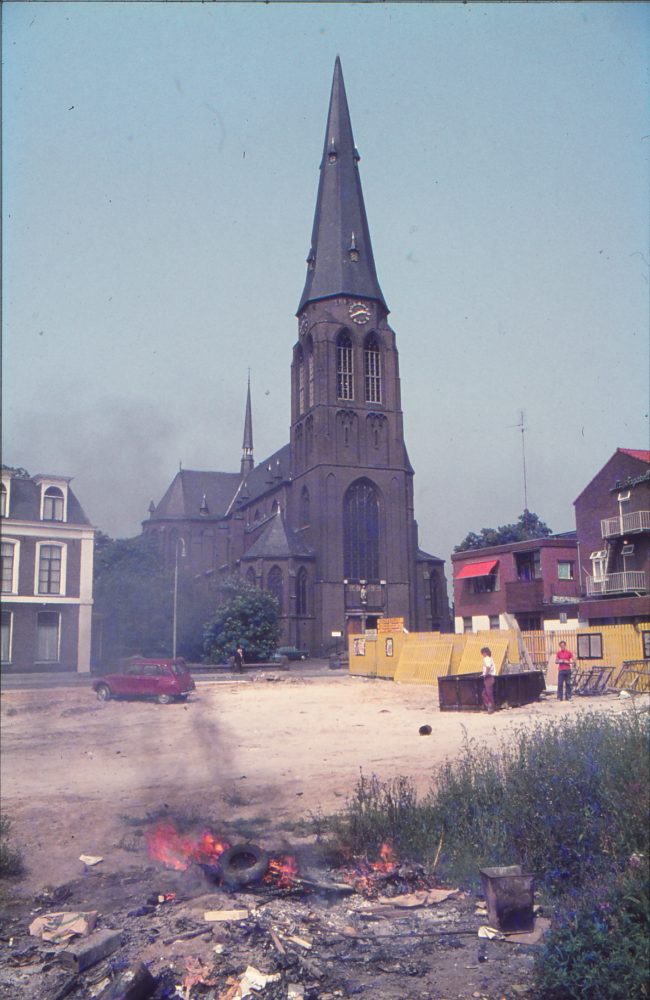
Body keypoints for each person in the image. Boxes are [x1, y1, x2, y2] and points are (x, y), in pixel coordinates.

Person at [481, 646, 496, 714]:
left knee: (487, 693)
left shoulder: (486, 659)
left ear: (485, 653)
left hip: (488, 677)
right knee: (486, 693)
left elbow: (488, 667)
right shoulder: (490, 659)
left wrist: (485, 674)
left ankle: (491, 706)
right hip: (491, 676)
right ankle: (490, 705)